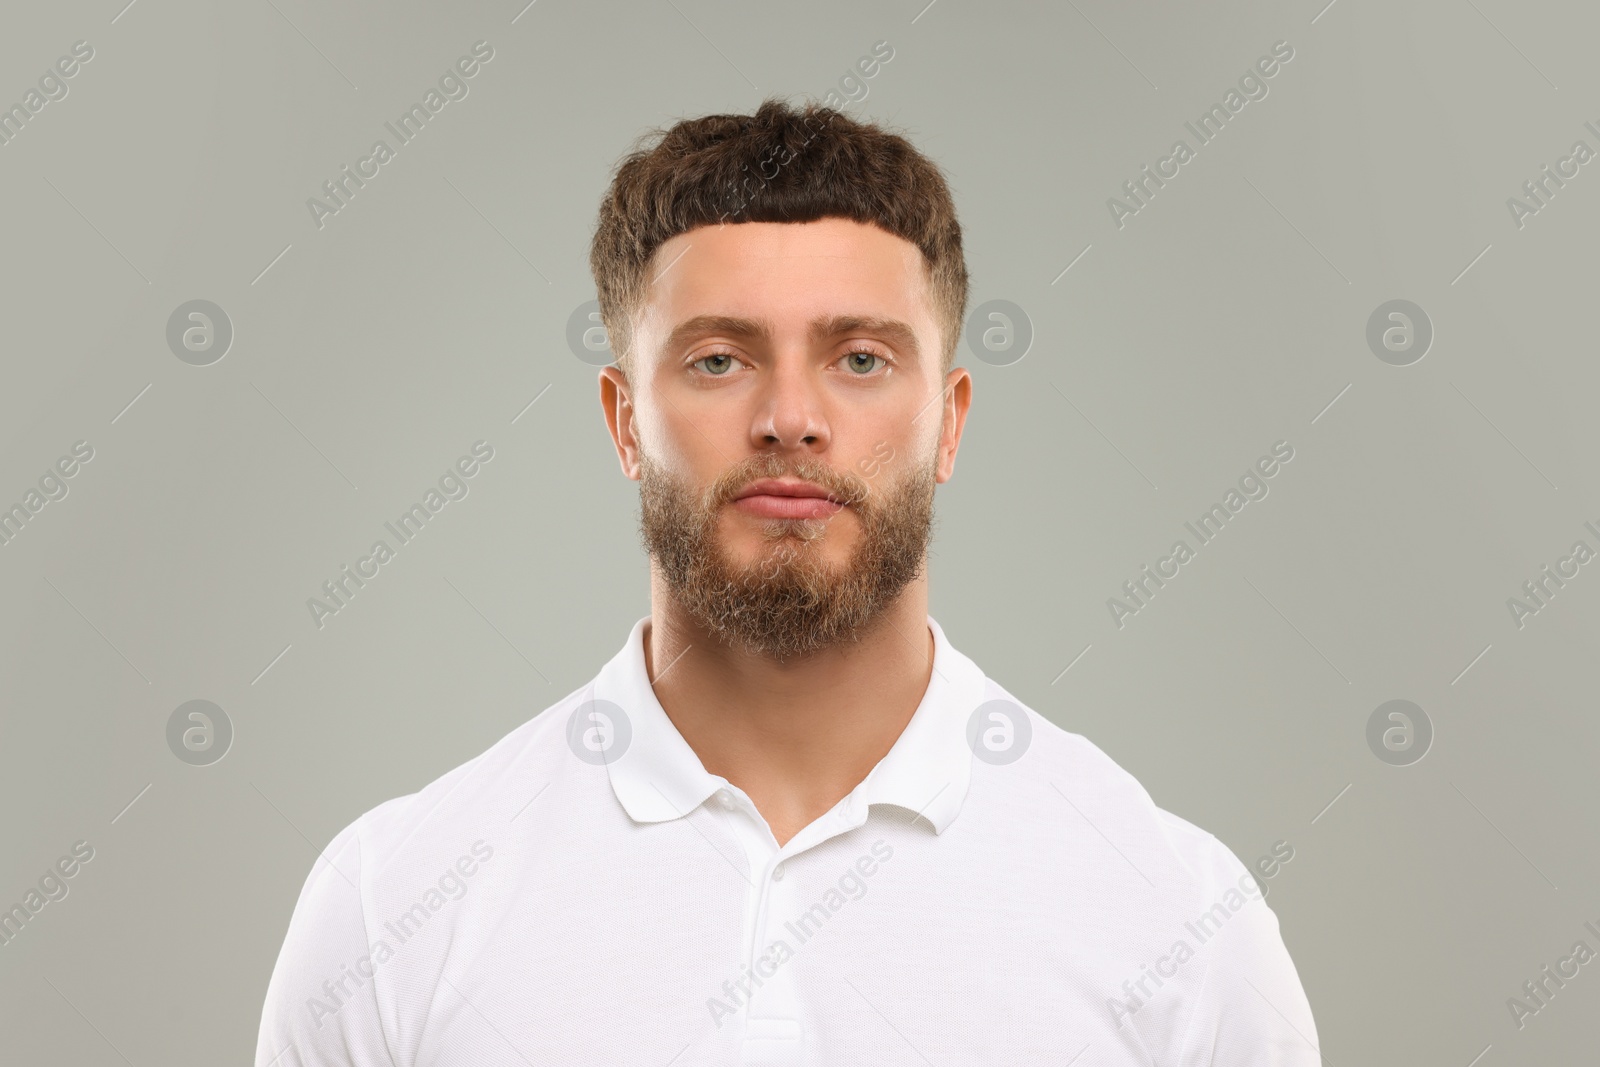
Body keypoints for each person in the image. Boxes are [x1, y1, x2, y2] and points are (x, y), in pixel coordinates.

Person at [256, 97, 1320, 1065]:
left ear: (948, 422)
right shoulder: (392, 903)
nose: (790, 417)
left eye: (860, 358)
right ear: (627, 422)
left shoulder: (1178, 916)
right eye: (719, 358)